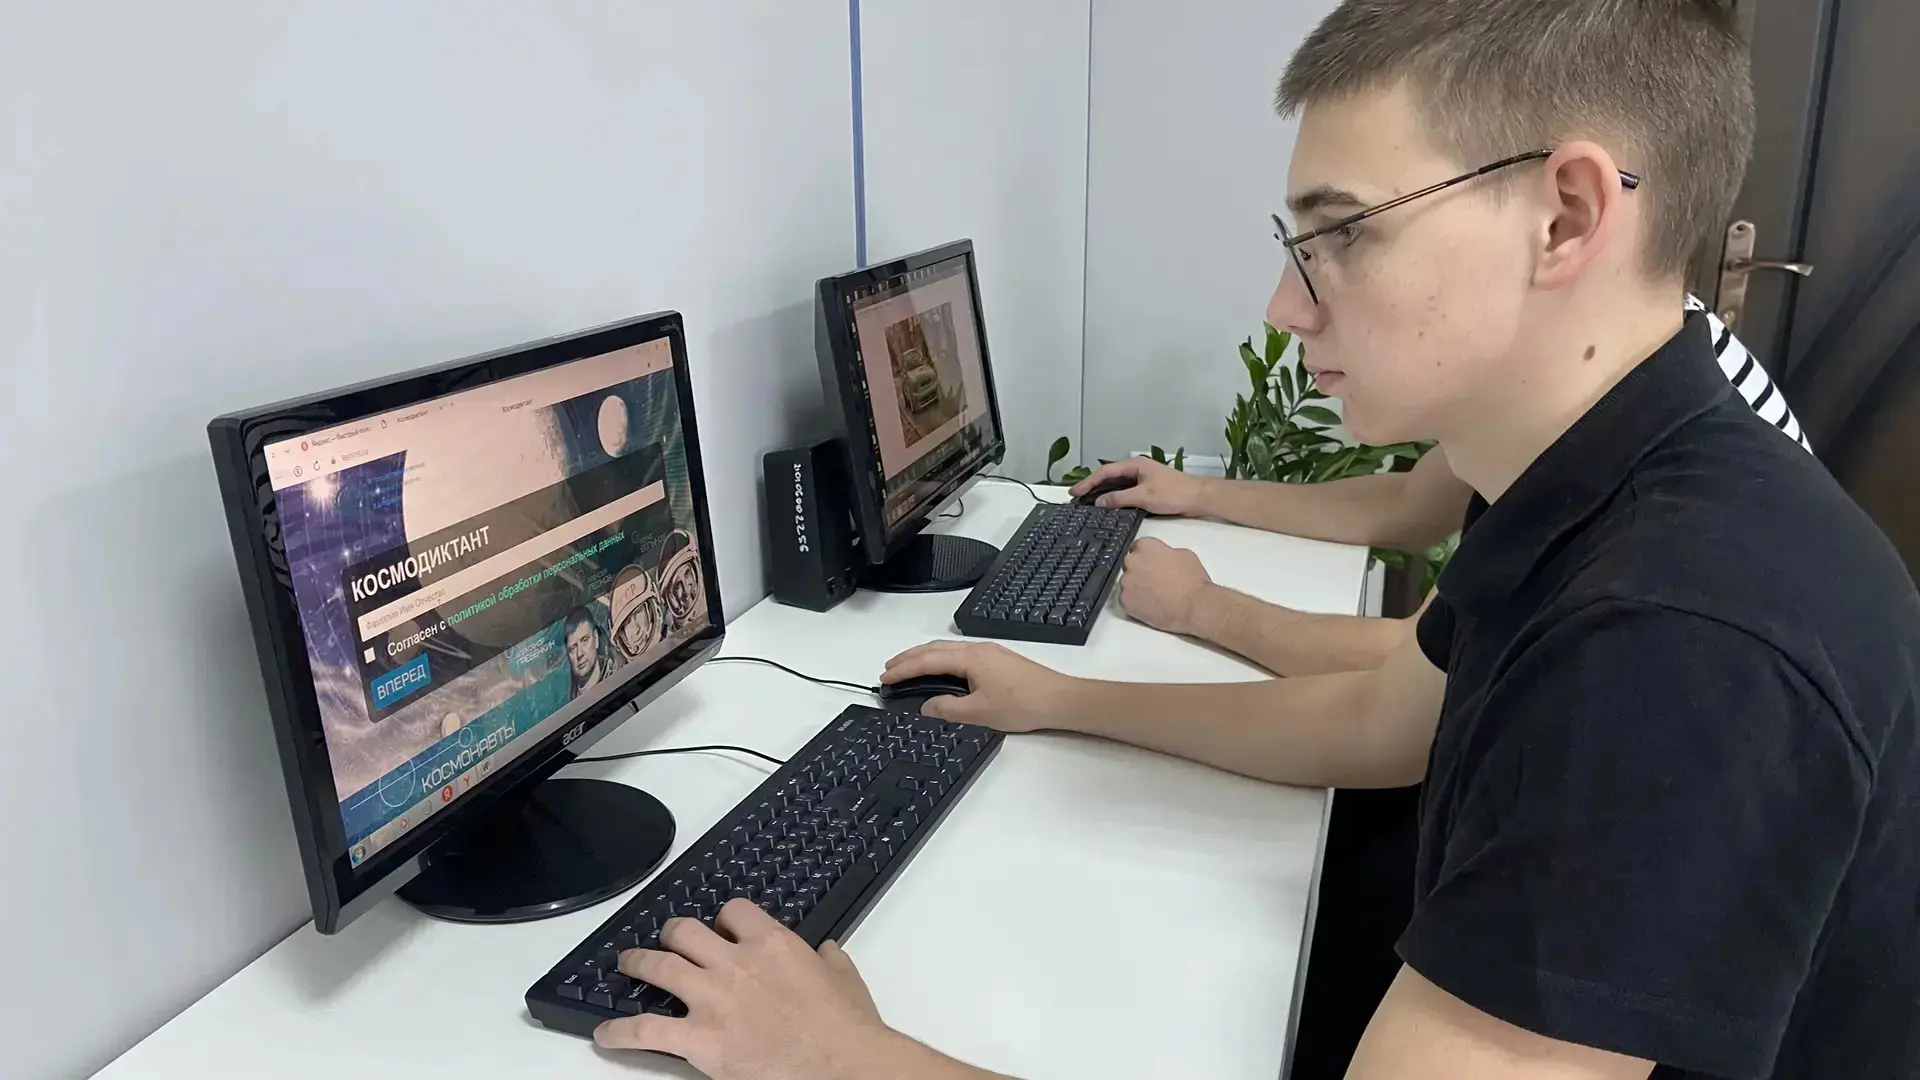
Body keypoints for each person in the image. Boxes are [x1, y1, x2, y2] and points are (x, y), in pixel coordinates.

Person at [594, 3, 1920, 1078]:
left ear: (1565, 216)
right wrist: (1061, 699)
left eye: (1340, 236)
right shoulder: (1586, 479)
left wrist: (840, 1060)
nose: (1286, 305)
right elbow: (1383, 725)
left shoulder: (1677, 636)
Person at [1074, 297, 1811, 678]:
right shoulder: (1618, 344)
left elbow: (1409, 666)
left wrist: (1199, 606)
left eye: (1354, 237)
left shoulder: (1618, 405)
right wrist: (1197, 494)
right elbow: (1407, 506)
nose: (1289, 309)